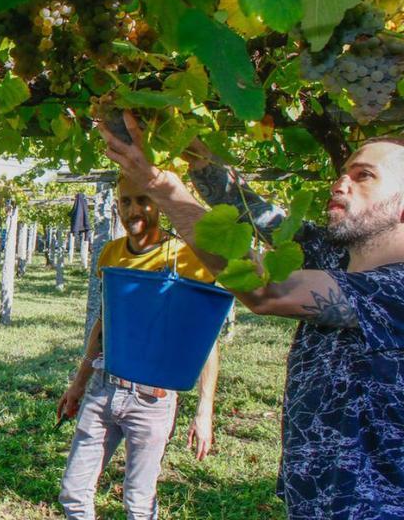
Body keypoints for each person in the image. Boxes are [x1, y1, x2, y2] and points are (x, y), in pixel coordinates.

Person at [101, 112, 404, 518]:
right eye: (344, 171)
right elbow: (255, 212)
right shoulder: (337, 257)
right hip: (315, 498)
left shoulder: (394, 288)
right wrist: (196, 155)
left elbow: (266, 292)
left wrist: (163, 189)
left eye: (364, 175)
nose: (340, 182)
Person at [56, 175, 221, 520]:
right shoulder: (111, 254)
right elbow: (105, 323)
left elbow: (204, 337)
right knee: (73, 493)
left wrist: (204, 411)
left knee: (139, 502)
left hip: (152, 399)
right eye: (125, 201)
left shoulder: (184, 257)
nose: (134, 209)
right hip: (104, 388)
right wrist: (78, 382)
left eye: (142, 199)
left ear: (160, 202)